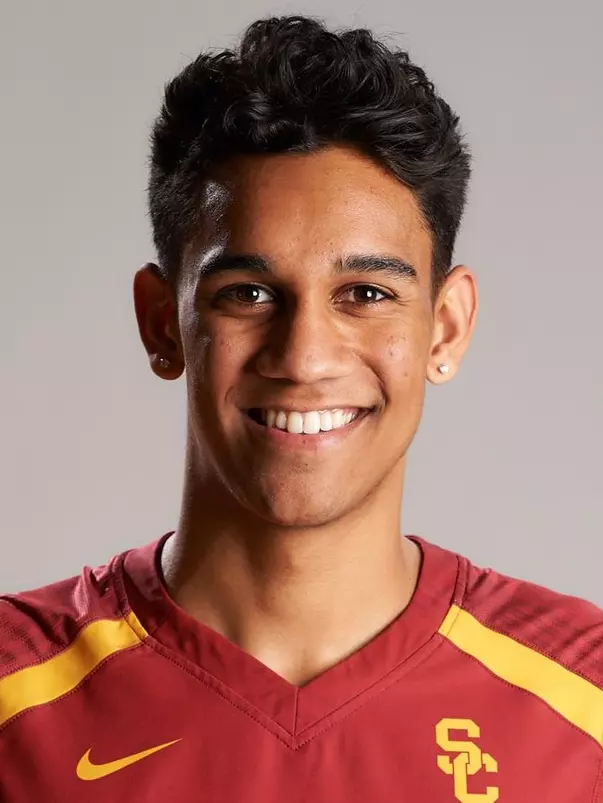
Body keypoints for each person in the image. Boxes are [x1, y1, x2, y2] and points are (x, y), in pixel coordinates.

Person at [1, 14, 601, 803]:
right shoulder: (16, 698)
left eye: (366, 294)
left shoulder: (583, 703)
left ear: (444, 327)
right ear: (161, 321)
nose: (305, 356)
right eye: (247, 293)